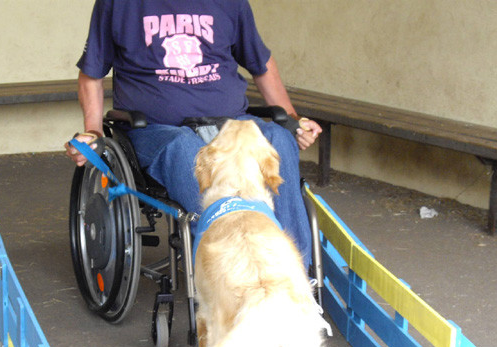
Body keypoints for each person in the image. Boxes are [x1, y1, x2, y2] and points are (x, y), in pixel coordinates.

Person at [65, 0, 322, 265]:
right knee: (184, 148)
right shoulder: (118, 4)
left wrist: (292, 120)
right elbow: (91, 75)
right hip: (156, 131)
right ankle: (227, 267)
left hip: (231, 124)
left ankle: (297, 274)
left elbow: (262, 64)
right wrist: (93, 132)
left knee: (278, 139)